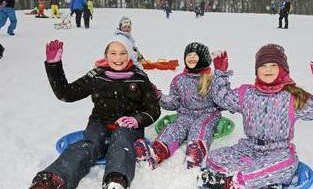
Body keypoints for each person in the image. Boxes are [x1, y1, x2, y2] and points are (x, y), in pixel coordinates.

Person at [29, 36, 161, 189]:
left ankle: (115, 181)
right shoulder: (97, 76)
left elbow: (153, 109)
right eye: (113, 53)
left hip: (128, 127)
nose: (118, 58)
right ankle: (53, 179)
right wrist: (54, 66)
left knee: (121, 141)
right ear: (106, 55)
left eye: (122, 53)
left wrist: (137, 119)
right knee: (88, 145)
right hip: (100, 123)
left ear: (129, 54)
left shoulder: (139, 78)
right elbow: (66, 94)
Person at [198, 44, 313, 189]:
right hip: (248, 148)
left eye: (274, 65)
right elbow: (221, 97)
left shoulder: (293, 97)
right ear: (257, 71)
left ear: (283, 70)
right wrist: (220, 73)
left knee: (287, 162)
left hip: (277, 152)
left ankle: (235, 183)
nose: (268, 69)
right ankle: (256, 179)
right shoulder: (246, 94)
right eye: (263, 66)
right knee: (214, 157)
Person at [134, 42, 222, 169]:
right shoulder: (179, 80)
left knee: (200, 128)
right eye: (188, 55)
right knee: (174, 129)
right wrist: (158, 95)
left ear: (203, 58)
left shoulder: (211, 79)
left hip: (208, 115)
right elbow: (173, 103)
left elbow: (222, 97)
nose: (191, 57)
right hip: (185, 115)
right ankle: (156, 153)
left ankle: (196, 154)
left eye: (195, 55)